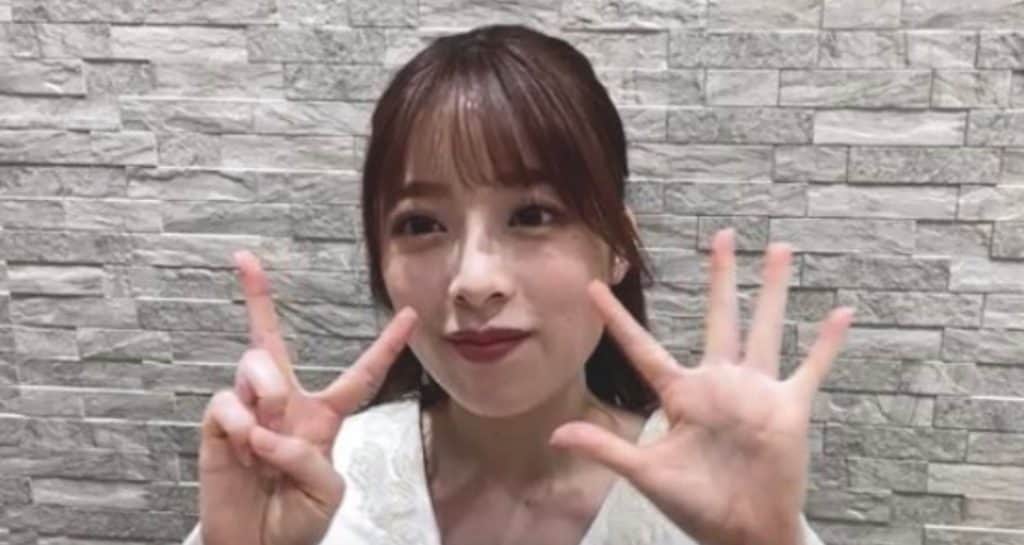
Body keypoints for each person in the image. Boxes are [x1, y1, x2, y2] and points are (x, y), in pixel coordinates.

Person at [181, 24, 853, 545]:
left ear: (620, 247)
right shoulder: (312, 477)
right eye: (421, 224)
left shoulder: (710, 489)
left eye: (532, 215)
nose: (474, 281)